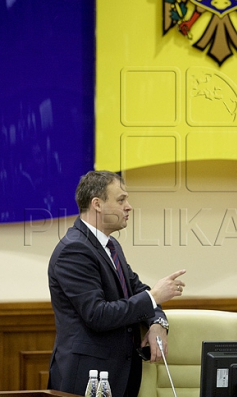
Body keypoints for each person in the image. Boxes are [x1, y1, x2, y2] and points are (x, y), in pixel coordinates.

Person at [47, 170, 186, 397]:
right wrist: (154, 297)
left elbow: (138, 290)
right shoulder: (74, 250)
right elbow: (98, 315)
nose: (129, 206)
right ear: (97, 204)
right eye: (121, 200)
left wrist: (157, 323)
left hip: (120, 374)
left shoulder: (110, 246)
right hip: (86, 378)